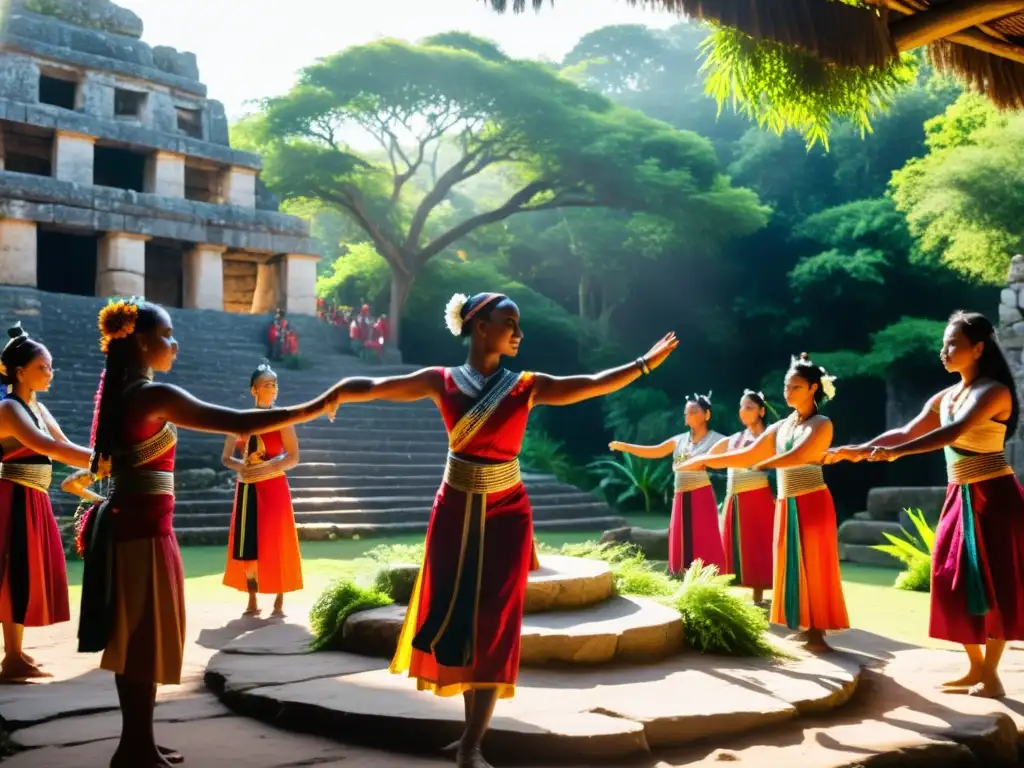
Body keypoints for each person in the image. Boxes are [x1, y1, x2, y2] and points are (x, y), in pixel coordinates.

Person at [325, 292, 676, 768]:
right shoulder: (440, 381)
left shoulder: (525, 385)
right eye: (509, 322)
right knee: (457, 617)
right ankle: (469, 732)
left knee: (494, 621)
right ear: (480, 326)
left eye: (518, 324)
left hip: (507, 513)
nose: (519, 333)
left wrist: (643, 365)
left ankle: (472, 742)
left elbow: (590, 384)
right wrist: (338, 390)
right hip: (453, 509)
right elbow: (375, 385)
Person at [74, 297, 342, 768]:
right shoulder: (150, 396)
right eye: (166, 336)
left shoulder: (126, 392)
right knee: (139, 642)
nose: (174, 345)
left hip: (139, 527)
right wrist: (315, 406)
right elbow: (238, 422)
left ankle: (139, 742)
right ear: (141, 342)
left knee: (140, 640)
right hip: (141, 532)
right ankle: (133, 749)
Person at [827, 311, 1024, 698]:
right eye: (944, 344)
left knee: (999, 582)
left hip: (994, 497)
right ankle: (976, 668)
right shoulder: (946, 395)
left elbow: (952, 432)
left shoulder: (993, 391)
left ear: (978, 348)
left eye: (953, 344)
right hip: (960, 496)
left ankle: (992, 675)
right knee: (946, 577)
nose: (944, 351)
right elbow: (906, 430)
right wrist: (857, 450)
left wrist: (895, 454)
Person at [677, 354, 849, 652]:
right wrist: (705, 459)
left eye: (795, 386)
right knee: (791, 563)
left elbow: (799, 456)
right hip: (786, 502)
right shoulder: (781, 426)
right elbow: (748, 453)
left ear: (812, 388)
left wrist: (761, 464)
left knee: (815, 564)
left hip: (812, 501)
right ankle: (807, 627)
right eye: (786, 386)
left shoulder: (821, 424)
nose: (788, 391)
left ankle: (818, 632)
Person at [0, 323, 93, 681]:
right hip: (13, 497)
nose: (51, 373)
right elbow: (50, 448)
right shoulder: (9, 408)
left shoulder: (35, 406)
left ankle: (15, 654)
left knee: (22, 572)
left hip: (33, 498)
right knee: (14, 573)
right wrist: (104, 460)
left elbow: (63, 443)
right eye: (44, 367)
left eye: (51, 366)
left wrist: (101, 458)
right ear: (21, 371)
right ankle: (12, 657)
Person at [609, 392, 727, 576]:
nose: (688, 416)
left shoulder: (718, 439)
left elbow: (726, 458)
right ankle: (680, 574)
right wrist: (625, 447)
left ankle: (710, 576)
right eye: (686, 413)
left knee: (704, 535)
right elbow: (654, 451)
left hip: (700, 494)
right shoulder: (679, 440)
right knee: (680, 535)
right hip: (680, 495)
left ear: (707, 414)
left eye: (693, 412)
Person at [222, 361, 304, 617]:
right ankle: (252, 596)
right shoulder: (239, 421)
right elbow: (226, 457)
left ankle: (279, 596)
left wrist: (267, 466)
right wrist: (243, 466)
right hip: (248, 487)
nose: (273, 389)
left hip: (274, 485)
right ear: (253, 390)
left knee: (276, 538)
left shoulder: (282, 419)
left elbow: (293, 457)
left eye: (275, 384)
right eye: (267, 385)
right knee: (249, 541)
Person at [714, 390, 774, 604]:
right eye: (741, 406)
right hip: (735, 497)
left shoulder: (769, 437)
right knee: (738, 544)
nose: (743, 411)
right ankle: (743, 591)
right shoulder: (736, 438)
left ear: (761, 411)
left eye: (749, 406)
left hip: (758, 496)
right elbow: (714, 456)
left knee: (759, 544)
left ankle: (760, 594)